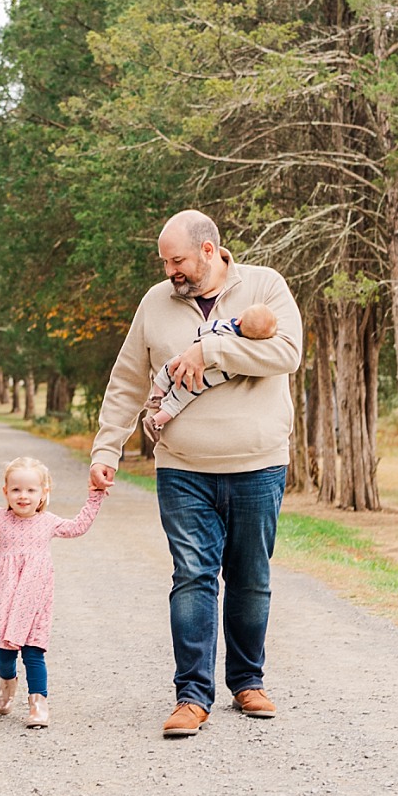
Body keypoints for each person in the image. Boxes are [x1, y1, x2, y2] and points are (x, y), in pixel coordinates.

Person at [88, 210, 301, 739]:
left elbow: (286, 353)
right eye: (164, 261)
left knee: (251, 578)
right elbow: (127, 378)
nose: (170, 271)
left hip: (257, 463)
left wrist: (209, 348)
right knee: (192, 577)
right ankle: (191, 696)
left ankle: (248, 682)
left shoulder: (266, 286)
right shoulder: (154, 304)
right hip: (182, 468)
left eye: (177, 259)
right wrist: (105, 449)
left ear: (209, 251)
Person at [0, 455, 104, 729]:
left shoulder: (48, 522)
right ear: (6, 492)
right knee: (4, 653)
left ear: (44, 493)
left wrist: (95, 496)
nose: (23, 496)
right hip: (4, 594)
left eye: (31, 490)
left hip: (35, 596)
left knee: (33, 651)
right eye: (16, 489)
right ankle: (7, 683)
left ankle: (38, 701)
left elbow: (78, 526)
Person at [143, 302, 279, 438]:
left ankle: (157, 396)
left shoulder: (223, 326)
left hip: (185, 362)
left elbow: (203, 329)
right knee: (177, 400)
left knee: (168, 370)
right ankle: (155, 421)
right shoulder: (244, 352)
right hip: (201, 380)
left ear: (240, 320)